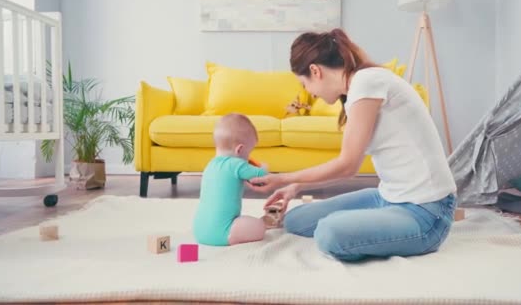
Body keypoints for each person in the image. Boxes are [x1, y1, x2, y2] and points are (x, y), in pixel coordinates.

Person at [249, 28, 457, 261]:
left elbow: (348, 165)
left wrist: (282, 178)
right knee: (296, 220)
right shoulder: (358, 87)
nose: (308, 93)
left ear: (315, 71)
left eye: (304, 84)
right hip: (388, 197)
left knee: (329, 233)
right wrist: (295, 186)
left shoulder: (367, 82)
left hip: (427, 213)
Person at [193, 113, 267, 246]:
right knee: (260, 227)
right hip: (224, 232)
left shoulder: (210, 165)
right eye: (249, 153)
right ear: (240, 150)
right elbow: (260, 174)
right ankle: (239, 233)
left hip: (199, 231)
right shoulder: (237, 164)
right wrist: (264, 167)